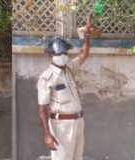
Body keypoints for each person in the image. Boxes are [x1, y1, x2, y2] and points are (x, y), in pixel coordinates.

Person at [37, 16, 92, 160]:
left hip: (78, 122)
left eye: (65, 53)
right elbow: (42, 109)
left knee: (77, 158)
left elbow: (83, 54)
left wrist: (87, 33)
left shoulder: (69, 69)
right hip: (61, 126)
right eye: (59, 53)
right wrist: (47, 135)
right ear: (51, 55)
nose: (62, 56)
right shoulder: (46, 77)